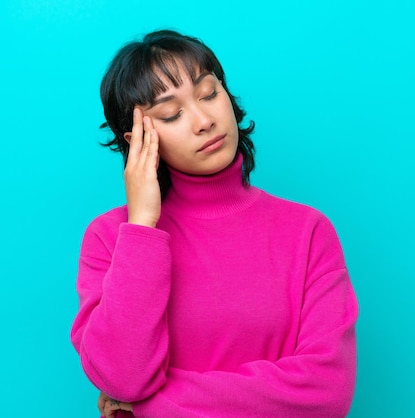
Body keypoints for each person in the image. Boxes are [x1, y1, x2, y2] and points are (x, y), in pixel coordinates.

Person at [70, 29, 358, 418]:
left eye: (209, 93)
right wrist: (142, 227)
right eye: (171, 114)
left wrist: (151, 404)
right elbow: (123, 377)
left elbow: (327, 393)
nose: (204, 121)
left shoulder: (307, 231)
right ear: (139, 139)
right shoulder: (111, 239)